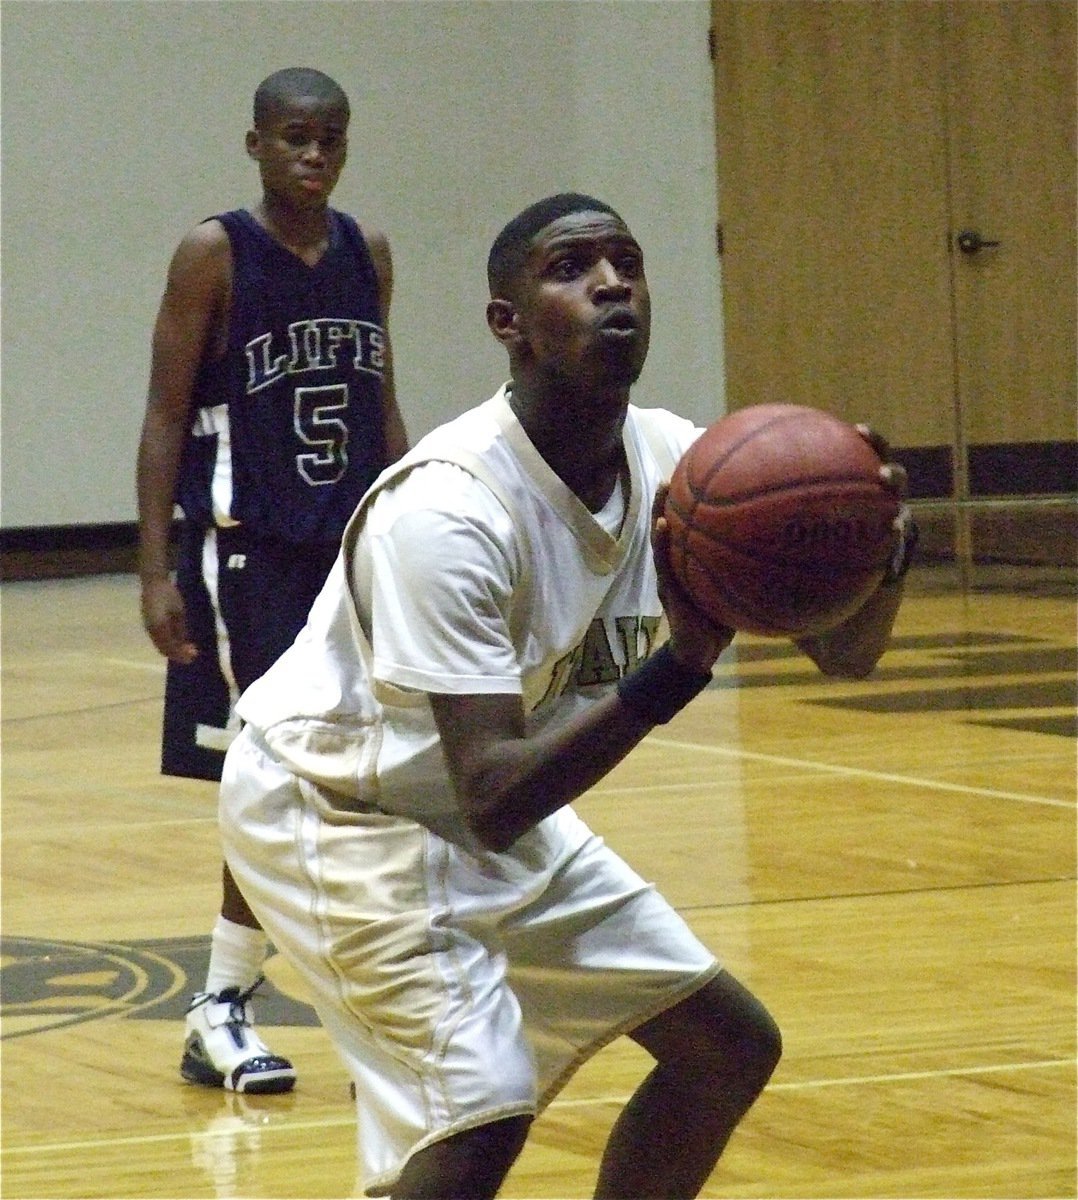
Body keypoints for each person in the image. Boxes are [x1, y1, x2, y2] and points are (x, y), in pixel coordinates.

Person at [219, 193, 915, 1197]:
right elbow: (494, 798)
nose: (609, 284)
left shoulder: (683, 467)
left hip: (476, 795)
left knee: (726, 1046)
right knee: (479, 1108)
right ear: (507, 323)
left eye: (624, 262)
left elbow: (843, 659)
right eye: (570, 268)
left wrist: (878, 546)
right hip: (334, 804)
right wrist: (676, 666)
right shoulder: (449, 509)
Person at [135, 67, 408, 1095]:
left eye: (332, 139)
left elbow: (381, 399)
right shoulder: (215, 253)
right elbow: (165, 414)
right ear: (254, 143)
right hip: (244, 552)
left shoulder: (364, 252)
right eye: (295, 137)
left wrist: (414, 521)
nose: (314, 155)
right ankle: (223, 1003)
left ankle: (271, 998)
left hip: (344, 549)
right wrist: (156, 569)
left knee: (359, 780)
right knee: (274, 775)